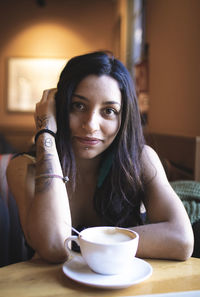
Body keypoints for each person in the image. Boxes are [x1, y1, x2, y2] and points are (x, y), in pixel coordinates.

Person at [7, 51, 194, 263]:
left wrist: (84, 243)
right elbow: (55, 246)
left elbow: (182, 240)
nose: (91, 125)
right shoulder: (25, 167)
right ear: (59, 107)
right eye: (78, 106)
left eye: (109, 110)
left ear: (123, 118)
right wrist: (45, 132)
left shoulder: (140, 159)